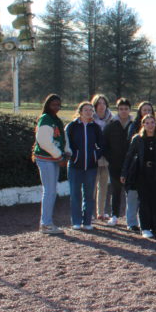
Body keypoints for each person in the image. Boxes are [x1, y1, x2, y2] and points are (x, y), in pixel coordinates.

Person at [121, 114, 156, 238]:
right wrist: (124, 173)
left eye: (152, 122)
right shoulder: (137, 139)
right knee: (144, 201)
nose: (150, 125)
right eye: (147, 123)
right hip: (141, 173)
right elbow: (129, 156)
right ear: (143, 124)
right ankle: (145, 227)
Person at [65, 101, 105, 230]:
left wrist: (95, 155)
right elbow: (66, 145)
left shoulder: (95, 127)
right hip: (75, 167)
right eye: (86, 110)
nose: (89, 112)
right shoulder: (71, 126)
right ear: (80, 111)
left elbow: (101, 145)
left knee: (89, 195)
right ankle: (76, 221)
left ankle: (87, 221)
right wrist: (74, 156)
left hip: (91, 167)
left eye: (91, 110)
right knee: (75, 194)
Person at [33, 94, 67, 234]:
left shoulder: (55, 120)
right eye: (54, 105)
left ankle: (46, 222)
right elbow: (44, 141)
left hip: (52, 158)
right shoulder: (46, 119)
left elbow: (60, 139)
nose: (57, 107)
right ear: (48, 105)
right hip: (47, 158)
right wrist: (59, 156)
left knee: (51, 191)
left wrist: (64, 153)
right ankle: (46, 223)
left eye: (58, 105)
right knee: (49, 191)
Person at [124, 101, 154, 231]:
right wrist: (124, 172)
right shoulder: (135, 133)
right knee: (132, 196)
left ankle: (145, 222)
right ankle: (131, 222)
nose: (147, 112)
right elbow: (129, 155)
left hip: (150, 171)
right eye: (144, 110)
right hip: (135, 169)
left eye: (149, 110)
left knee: (146, 198)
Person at [103, 98, 133, 226]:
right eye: (121, 109)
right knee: (116, 191)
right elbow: (104, 144)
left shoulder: (134, 125)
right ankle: (114, 215)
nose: (123, 111)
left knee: (131, 192)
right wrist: (111, 158)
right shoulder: (110, 125)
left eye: (126, 108)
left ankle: (131, 218)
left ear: (129, 110)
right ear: (117, 110)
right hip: (115, 164)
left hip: (131, 164)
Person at [91, 94, 114, 221]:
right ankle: (89, 212)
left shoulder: (112, 119)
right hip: (94, 157)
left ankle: (101, 212)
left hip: (106, 157)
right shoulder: (90, 118)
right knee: (91, 186)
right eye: (99, 103)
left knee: (104, 186)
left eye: (103, 103)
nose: (101, 106)